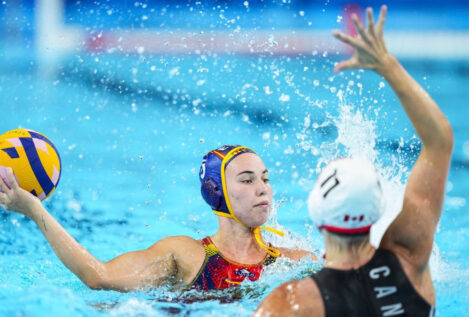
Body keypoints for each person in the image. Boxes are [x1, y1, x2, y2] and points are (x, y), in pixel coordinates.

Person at [255, 5, 453, 317]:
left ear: (316, 209)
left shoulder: (292, 301)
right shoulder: (410, 256)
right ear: (379, 210)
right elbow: (439, 142)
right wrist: (387, 65)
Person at [0, 145, 313, 292]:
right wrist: (34, 210)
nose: (263, 190)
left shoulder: (294, 262)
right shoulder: (186, 254)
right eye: (247, 180)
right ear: (215, 192)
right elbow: (98, 276)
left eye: (266, 178)